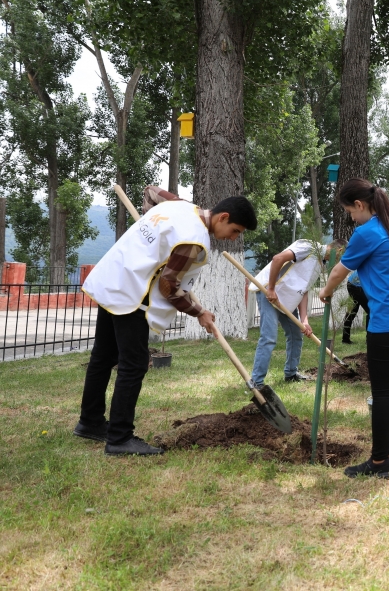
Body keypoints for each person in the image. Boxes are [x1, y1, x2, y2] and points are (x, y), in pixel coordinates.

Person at [74, 186, 257, 456]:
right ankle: (120, 438)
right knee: (133, 365)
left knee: (103, 356)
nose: (232, 239)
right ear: (223, 217)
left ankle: (90, 422)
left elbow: (149, 192)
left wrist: (154, 230)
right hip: (131, 294)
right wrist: (199, 312)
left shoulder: (180, 206)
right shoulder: (193, 241)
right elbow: (168, 287)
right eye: (235, 231)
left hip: (112, 277)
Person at [318, 179, 389, 479]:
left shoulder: (366, 233)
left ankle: (379, 463)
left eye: (349, 212)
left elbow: (340, 270)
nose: (351, 219)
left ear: (360, 205)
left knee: (382, 393)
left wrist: (325, 292)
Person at [250, 239, 345, 389]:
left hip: (287, 299)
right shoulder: (308, 247)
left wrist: (305, 320)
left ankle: (291, 374)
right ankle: (256, 381)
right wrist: (272, 290)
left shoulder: (320, 264)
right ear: (338, 251)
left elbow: (303, 290)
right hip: (269, 292)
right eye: (342, 258)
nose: (340, 262)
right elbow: (278, 258)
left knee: (296, 335)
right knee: (269, 337)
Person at [341, 271, 370, 344]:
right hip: (357, 285)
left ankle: (345, 339)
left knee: (352, 311)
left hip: (351, 283)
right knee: (371, 312)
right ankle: (369, 340)